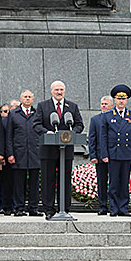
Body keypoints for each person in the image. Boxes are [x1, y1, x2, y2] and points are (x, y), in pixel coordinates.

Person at [33, 81, 84, 219]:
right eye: (56, 90)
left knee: (65, 179)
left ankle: (65, 208)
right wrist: (47, 132)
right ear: (51, 91)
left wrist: (73, 132)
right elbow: (36, 124)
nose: (59, 92)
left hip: (66, 150)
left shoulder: (72, 106)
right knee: (47, 180)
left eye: (61, 89)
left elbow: (80, 124)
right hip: (48, 150)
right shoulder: (43, 106)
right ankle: (49, 209)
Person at [100, 85, 131, 217]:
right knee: (114, 182)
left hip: (127, 153)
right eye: (118, 99)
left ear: (127, 100)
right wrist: (104, 154)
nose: (121, 101)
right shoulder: (107, 116)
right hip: (113, 154)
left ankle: (123, 208)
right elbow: (103, 137)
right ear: (115, 100)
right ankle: (113, 208)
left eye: (124, 98)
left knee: (124, 182)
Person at [5, 90, 41, 216]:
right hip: (18, 153)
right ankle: (19, 208)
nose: (27, 99)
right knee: (19, 183)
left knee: (34, 183)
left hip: (35, 153)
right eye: (25, 97)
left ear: (33, 99)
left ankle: (33, 208)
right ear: (21, 98)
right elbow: (9, 136)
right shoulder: (14, 114)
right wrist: (10, 154)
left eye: (29, 97)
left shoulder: (37, 113)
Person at [88, 95, 113, 214]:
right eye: (102, 104)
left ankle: (114, 205)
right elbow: (92, 139)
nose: (103, 106)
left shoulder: (116, 118)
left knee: (114, 182)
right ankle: (103, 206)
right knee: (102, 182)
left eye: (106, 104)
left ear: (112, 105)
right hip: (99, 156)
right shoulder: (95, 119)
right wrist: (93, 155)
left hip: (115, 156)